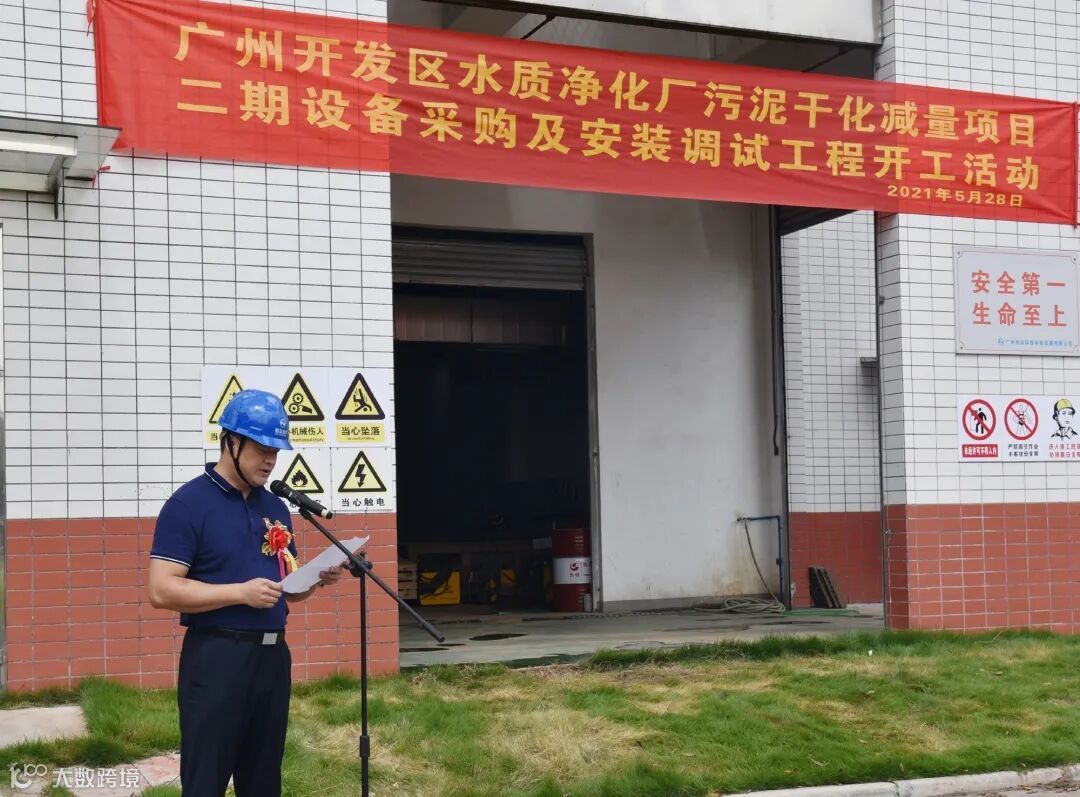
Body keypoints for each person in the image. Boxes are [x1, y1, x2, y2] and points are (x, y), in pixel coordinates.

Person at [148, 389, 346, 797]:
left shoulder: (275, 507)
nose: (271, 460)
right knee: (206, 779)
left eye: (276, 451)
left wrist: (313, 579)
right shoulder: (189, 504)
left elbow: (286, 591)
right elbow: (162, 589)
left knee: (263, 778)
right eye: (262, 449)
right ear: (232, 442)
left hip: (272, 659)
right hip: (218, 657)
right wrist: (240, 593)